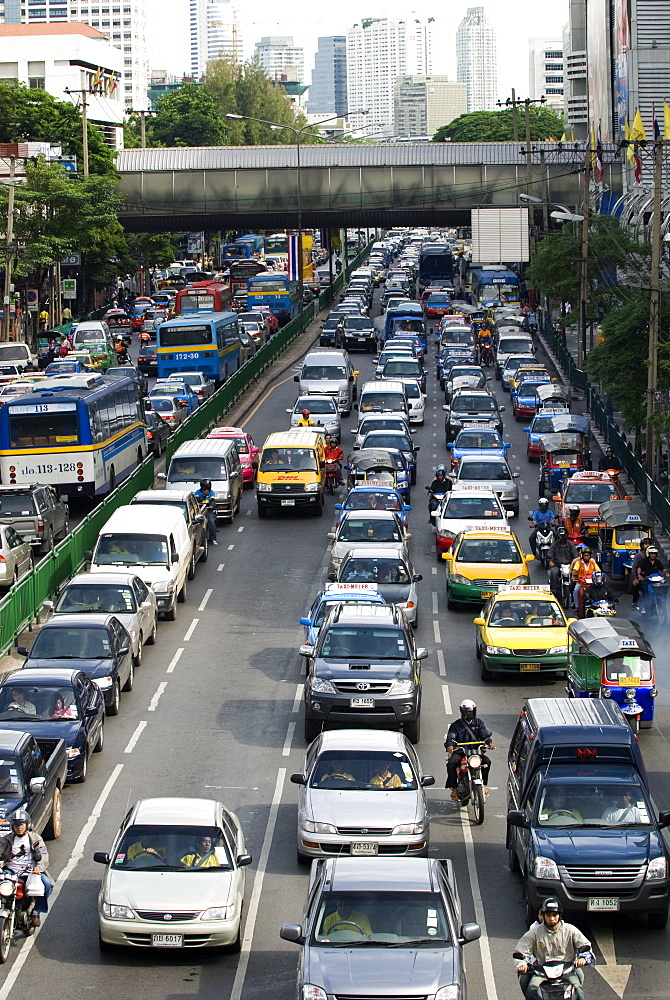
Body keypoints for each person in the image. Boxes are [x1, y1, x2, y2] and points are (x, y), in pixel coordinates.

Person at [514, 898, 592, 1000]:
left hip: (567, 971)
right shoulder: (534, 932)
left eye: (554, 915)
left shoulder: (570, 930)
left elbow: (585, 946)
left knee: (578, 990)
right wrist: (521, 964)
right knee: (531, 990)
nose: (551, 918)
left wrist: (583, 958)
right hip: (541, 972)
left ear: (560, 915)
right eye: (548, 915)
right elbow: (521, 951)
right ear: (543, 916)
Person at [0, 810, 53, 927]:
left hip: (31, 871)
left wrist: (39, 867)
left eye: (21, 824)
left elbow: (44, 855)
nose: (19, 827)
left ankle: (36, 911)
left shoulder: (36, 838)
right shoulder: (6, 839)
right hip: (11, 871)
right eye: (16, 825)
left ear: (27, 824)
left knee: (47, 885)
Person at [444, 699, 495, 801]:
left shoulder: (479, 723)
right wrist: (450, 746)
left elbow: (484, 735)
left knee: (487, 762)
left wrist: (489, 743)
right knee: (451, 763)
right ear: (462, 712)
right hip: (461, 752)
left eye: (472, 711)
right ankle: (454, 788)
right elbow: (450, 738)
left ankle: (483, 785)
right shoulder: (456, 725)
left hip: (475, 752)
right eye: (468, 711)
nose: (470, 713)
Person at [635, 545, 669, 614]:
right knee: (645, 590)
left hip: (656, 579)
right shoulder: (644, 561)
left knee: (663, 588)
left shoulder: (657, 562)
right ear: (649, 554)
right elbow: (639, 568)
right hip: (646, 579)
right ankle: (644, 606)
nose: (653, 555)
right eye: (652, 554)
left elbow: (662, 569)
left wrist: (666, 573)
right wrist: (639, 575)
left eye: (654, 554)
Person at [547, 527, 578, 598]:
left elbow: (575, 555)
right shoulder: (554, 545)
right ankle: (555, 589)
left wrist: (575, 562)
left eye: (563, 536)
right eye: (560, 536)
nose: (562, 538)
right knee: (554, 572)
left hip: (569, 566)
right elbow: (550, 554)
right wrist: (550, 561)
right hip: (558, 565)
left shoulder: (571, 545)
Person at [570, 547, 599, 614]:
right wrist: (574, 576)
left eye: (587, 556)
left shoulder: (592, 562)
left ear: (590, 556)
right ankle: (577, 607)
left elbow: (598, 570)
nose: (586, 557)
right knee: (576, 591)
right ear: (582, 556)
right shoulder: (578, 562)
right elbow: (574, 570)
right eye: (585, 556)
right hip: (581, 582)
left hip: (591, 582)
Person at [194, 478, 218, 546]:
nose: (207, 488)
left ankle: (213, 539)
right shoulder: (197, 492)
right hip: (201, 511)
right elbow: (198, 500)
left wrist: (211, 506)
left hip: (209, 510)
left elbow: (213, 501)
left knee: (211, 522)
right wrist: (204, 495)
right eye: (206, 486)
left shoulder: (211, 492)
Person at [631, 537, 653, 609]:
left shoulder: (653, 555)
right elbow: (634, 567)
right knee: (637, 586)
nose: (647, 546)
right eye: (645, 544)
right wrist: (635, 578)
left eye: (649, 544)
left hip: (652, 576)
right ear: (642, 545)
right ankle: (635, 603)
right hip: (641, 576)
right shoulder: (638, 556)